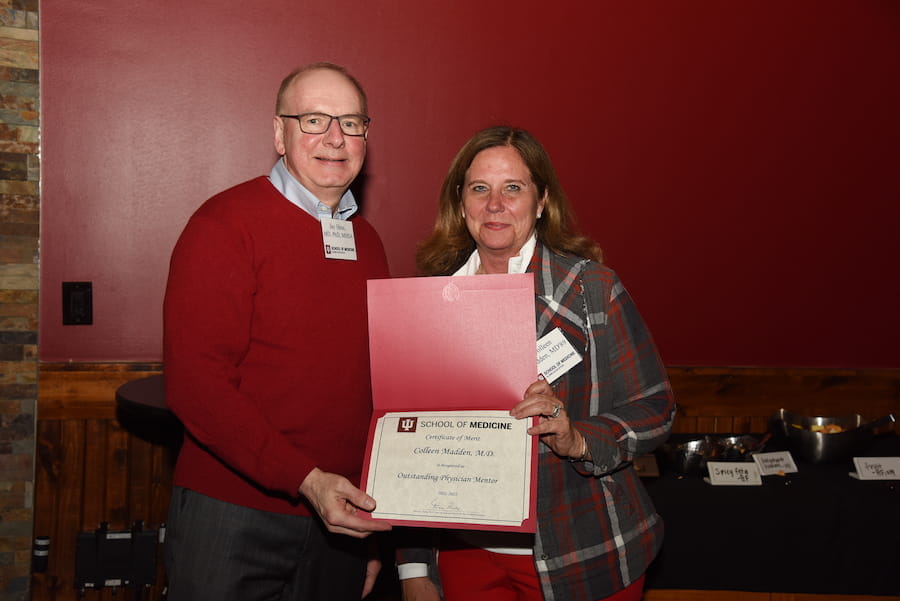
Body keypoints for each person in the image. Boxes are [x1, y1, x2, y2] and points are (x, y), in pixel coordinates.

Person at [397, 126, 676, 601]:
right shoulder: (428, 300)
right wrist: (414, 566)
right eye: (479, 189)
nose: (495, 204)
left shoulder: (592, 290)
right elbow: (409, 438)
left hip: (580, 549)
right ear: (460, 202)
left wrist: (578, 439)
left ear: (542, 200)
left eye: (514, 188)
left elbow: (657, 408)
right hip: (466, 555)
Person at [162, 62, 392, 601]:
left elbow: (373, 391)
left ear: (366, 136)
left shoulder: (370, 243)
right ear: (278, 134)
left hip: (339, 520)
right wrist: (305, 478)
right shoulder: (223, 225)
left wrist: (374, 531)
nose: (335, 137)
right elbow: (197, 387)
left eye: (351, 122)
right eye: (314, 119)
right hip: (233, 515)